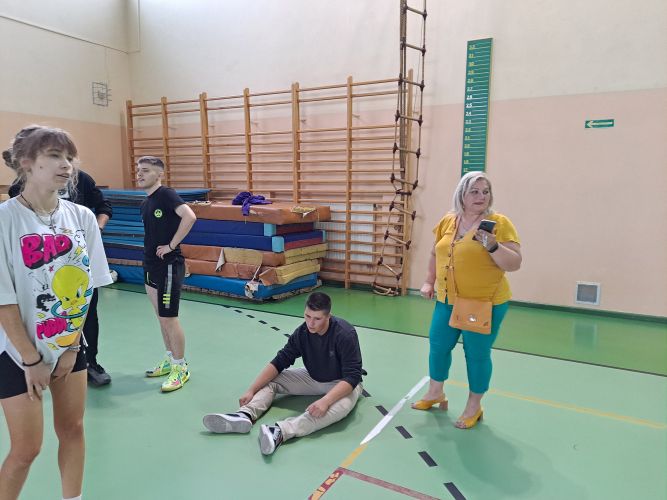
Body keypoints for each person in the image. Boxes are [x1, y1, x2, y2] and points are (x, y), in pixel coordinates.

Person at [0, 125, 112, 500]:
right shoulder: (5, 220)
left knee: (73, 429)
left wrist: (71, 347)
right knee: (26, 449)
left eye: (69, 157)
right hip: (15, 351)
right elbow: (4, 299)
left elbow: (87, 290)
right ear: (26, 163)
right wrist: (31, 359)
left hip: (67, 345)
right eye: (54, 156)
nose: (66, 165)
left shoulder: (82, 217)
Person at [411, 171, 521, 429]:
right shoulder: (449, 220)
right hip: (447, 300)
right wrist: (429, 281)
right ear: (461, 194)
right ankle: (435, 392)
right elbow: (435, 253)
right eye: (474, 191)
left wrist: (493, 246)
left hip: (483, 302)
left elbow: (515, 263)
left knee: (476, 354)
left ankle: (474, 405)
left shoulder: (498, 223)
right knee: (438, 345)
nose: (481, 196)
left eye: (486, 192)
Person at [202, 292, 363, 456]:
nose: (310, 323)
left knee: (341, 408)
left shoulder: (345, 333)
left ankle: (280, 431)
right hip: (313, 377)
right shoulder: (302, 333)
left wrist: (325, 401)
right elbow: (279, 361)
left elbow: (352, 376)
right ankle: (245, 415)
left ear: (328, 316)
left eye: (317, 319)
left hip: (342, 383)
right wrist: (251, 390)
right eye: (307, 316)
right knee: (271, 380)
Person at [8, 166, 113, 387]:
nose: (63, 164)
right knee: (41, 315)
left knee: (87, 314)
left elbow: (104, 206)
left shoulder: (81, 183)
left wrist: (97, 228)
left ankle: (90, 362)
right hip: (42, 268)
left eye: (66, 157)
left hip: (75, 266)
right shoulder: (15, 201)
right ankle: (36, 359)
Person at [136, 156, 196, 392]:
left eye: (145, 170)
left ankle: (181, 368)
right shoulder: (146, 202)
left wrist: (171, 246)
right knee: (160, 317)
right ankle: (170, 359)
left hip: (168, 265)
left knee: (169, 318)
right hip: (150, 264)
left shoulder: (166, 195)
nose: (140, 174)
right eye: (139, 170)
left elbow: (190, 216)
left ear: (159, 174)